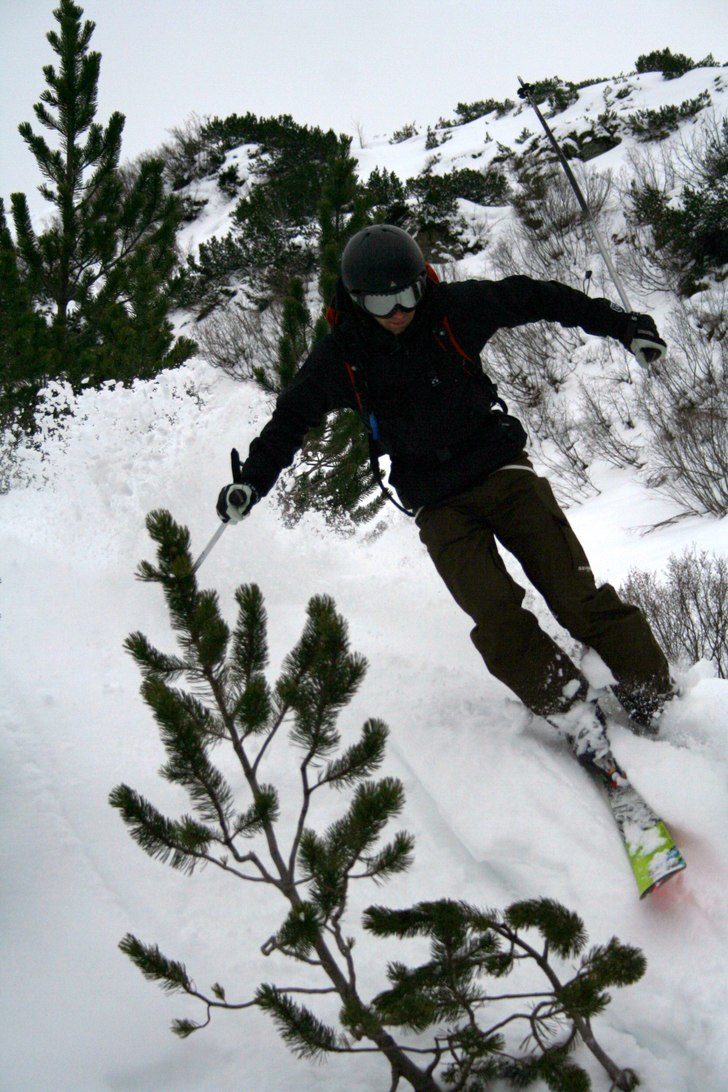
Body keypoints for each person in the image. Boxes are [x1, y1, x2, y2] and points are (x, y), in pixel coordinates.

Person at [216, 224, 673, 752]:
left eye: (407, 294)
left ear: (423, 283)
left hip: (503, 472)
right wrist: (252, 482)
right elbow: (290, 419)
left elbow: (538, 297)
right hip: (437, 502)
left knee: (576, 599)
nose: (398, 311)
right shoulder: (342, 355)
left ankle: (661, 704)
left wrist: (622, 325)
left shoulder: (453, 309)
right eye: (382, 301)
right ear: (357, 300)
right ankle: (570, 709)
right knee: (497, 620)